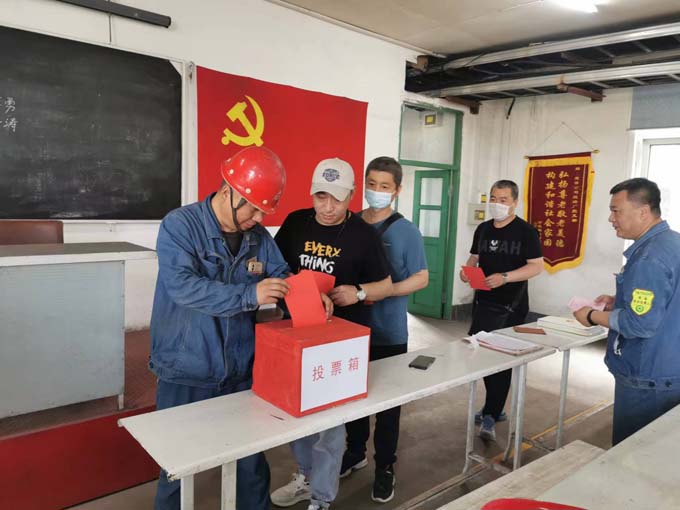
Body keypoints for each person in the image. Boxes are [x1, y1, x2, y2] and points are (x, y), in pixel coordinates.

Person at [149, 146, 291, 510]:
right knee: (177, 465)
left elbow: (282, 275)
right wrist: (250, 295)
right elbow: (183, 287)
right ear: (228, 191)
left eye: (264, 211)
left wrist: (307, 292)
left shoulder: (258, 238)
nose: (258, 218)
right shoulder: (180, 226)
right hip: (187, 368)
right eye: (253, 208)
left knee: (250, 463)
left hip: (240, 370)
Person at [271, 157, 393, 510]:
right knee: (297, 414)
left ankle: (322, 497)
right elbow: (279, 268)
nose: (327, 207)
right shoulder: (296, 222)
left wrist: (358, 292)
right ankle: (305, 476)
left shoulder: (363, 234)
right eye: (320, 197)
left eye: (336, 199)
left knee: (330, 423)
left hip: (339, 342)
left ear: (351, 196)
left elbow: (386, 285)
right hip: (298, 333)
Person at [339, 156, 428, 503]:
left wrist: (384, 291)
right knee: (352, 398)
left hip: (388, 333)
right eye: (372, 184)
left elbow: (421, 277)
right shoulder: (350, 223)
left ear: (397, 190)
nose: (376, 191)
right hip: (350, 330)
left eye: (385, 186)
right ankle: (355, 451)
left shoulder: (406, 232)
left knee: (388, 406)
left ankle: (385, 467)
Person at [573, 178, 680, 445]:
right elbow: (665, 300)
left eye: (616, 211)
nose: (611, 218)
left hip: (647, 375)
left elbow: (640, 324)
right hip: (670, 365)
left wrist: (590, 316)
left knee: (631, 454)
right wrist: (617, 300)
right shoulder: (672, 243)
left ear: (643, 212)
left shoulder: (648, 258)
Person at [459, 180, 543, 441]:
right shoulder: (483, 228)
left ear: (515, 202)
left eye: (503, 199)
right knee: (482, 355)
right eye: (494, 198)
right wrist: (467, 271)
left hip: (511, 306)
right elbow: (474, 257)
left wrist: (505, 277)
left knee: (500, 359)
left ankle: (491, 414)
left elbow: (536, 266)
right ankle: (493, 406)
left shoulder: (526, 231)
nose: (497, 204)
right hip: (483, 303)